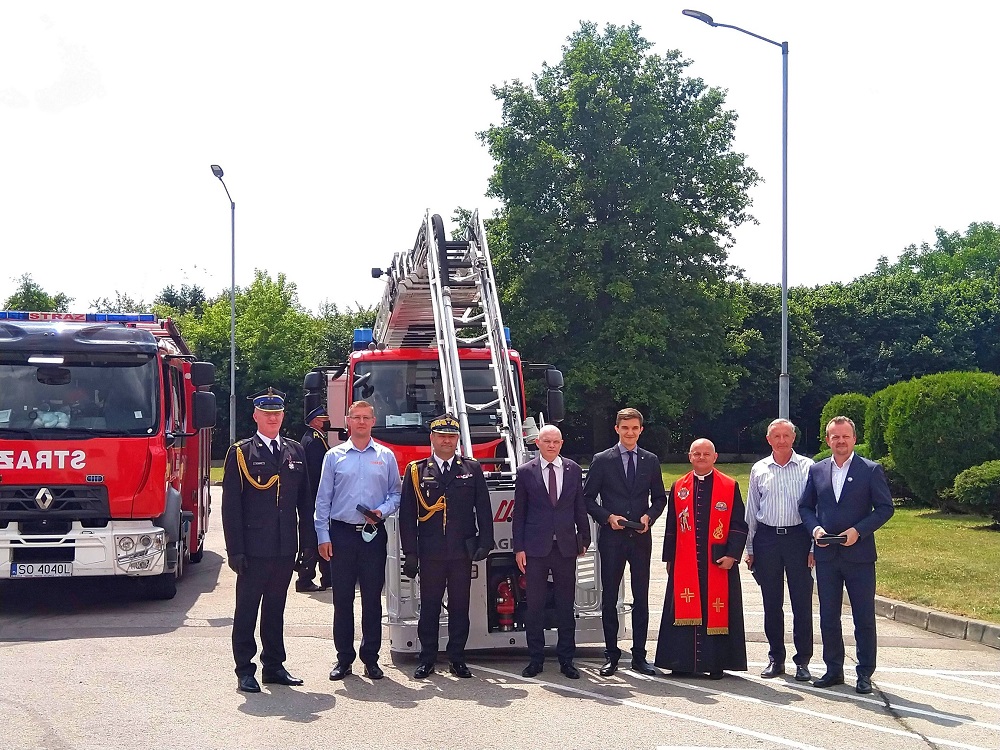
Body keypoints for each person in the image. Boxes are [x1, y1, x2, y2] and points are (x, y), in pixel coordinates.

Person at [221, 387, 317, 693]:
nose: (272, 418)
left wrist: (308, 546)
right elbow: (231, 507)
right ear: (256, 416)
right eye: (267, 413)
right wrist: (235, 550)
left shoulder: (295, 451)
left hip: (284, 546)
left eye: (277, 413)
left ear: (283, 416)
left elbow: (306, 503)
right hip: (253, 548)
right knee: (247, 610)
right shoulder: (241, 452)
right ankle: (244, 670)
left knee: (276, 610)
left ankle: (274, 666)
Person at [798, 416, 894, 695]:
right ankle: (833, 669)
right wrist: (814, 530)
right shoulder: (817, 470)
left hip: (860, 556)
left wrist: (859, 531)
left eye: (845, 436)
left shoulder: (870, 470)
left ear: (854, 438)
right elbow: (805, 507)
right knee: (828, 616)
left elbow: (885, 508)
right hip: (827, 556)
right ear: (827, 440)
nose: (840, 441)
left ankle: (864, 673)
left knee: (863, 616)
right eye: (834, 437)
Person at [399, 413, 494, 679]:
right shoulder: (417, 470)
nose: (447, 441)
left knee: (460, 606)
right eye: (441, 436)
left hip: (461, 551)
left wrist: (485, 541)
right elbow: (407, 516)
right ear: (432, 438)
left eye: (451, 436)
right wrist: (410, 553)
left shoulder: (471, 468)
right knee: (429, 606)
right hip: (430, 552)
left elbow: (483, 509)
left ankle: (457, 658)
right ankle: (427, 658)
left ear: (457, 440)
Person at [315, 400, 401, 681]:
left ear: (373, 421)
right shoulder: (334, 456)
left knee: (373, 601)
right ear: (348, 421)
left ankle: (371, 658)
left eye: (366, 417)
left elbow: (396, 494)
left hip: (373, 535)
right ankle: (344, 659)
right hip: (341, 535)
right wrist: (323, 536)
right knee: (342, 600)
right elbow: (323, 500)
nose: (361, 422)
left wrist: (382, 511)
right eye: (356, 417)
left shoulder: (386, 456)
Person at [584, 407, 667, 676]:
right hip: (612, 537)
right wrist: (607, 517)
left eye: (634, 428)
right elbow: (587, 499)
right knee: (609, 598)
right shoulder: (602, 459)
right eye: (625, 428)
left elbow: (660, 499)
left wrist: (649, 517)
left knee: (641, 597)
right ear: (617, 429)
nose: (630, 432)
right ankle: (611, 654)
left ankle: (640, 656)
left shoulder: (650, 460)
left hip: (641, 538)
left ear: (641, 430)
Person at [655, 438, 748, 679]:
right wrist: (669, 558)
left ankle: (716, 663)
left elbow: (739, 525)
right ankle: (680, 662)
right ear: (690, 457)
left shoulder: (729, 485)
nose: (701, 458)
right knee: (682, 607)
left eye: (706, 454)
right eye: (697, 454)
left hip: (717, 562)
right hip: (685, 561)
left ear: (715, 457)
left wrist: (732, 555)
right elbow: (672, 526)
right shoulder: (679, 486)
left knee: (715, 608)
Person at [513, 424, 590, 680]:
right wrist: (519, 547)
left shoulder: (572, 469)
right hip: (535, 548)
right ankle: (535, 659)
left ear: (562, 443)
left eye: (556, 442)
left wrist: (584, 538)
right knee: (534, 605)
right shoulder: (525, 472)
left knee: (565, 605)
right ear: (538, 443)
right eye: (547, 441)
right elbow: (519, 514)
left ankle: (567, 660)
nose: (551, 446)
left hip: (566, 547)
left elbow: (580, 506)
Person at [744, 418, 815, 681]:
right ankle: (776, 658)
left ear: (793, 438)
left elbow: (815, 509)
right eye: (777, 436)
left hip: (798, 538)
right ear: (769, 440)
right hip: (767, 539)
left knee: (801, 603)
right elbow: (752, 509)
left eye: (786, 435)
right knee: (771, 603)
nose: (782, 440)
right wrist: (749, 547)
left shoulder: (809, 467)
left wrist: (812, 547)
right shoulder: (759, 469)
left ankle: (803, 661)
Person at [295, 406, 333, 593]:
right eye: (324, 418)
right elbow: (318, 473)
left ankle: (327, 577)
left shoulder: (315, 438)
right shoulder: (314, 441)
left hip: (313, 497)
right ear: (316, 421)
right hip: (314, 497)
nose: (327, 421)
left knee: (319, 534)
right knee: (312, 536)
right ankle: (305, 578)